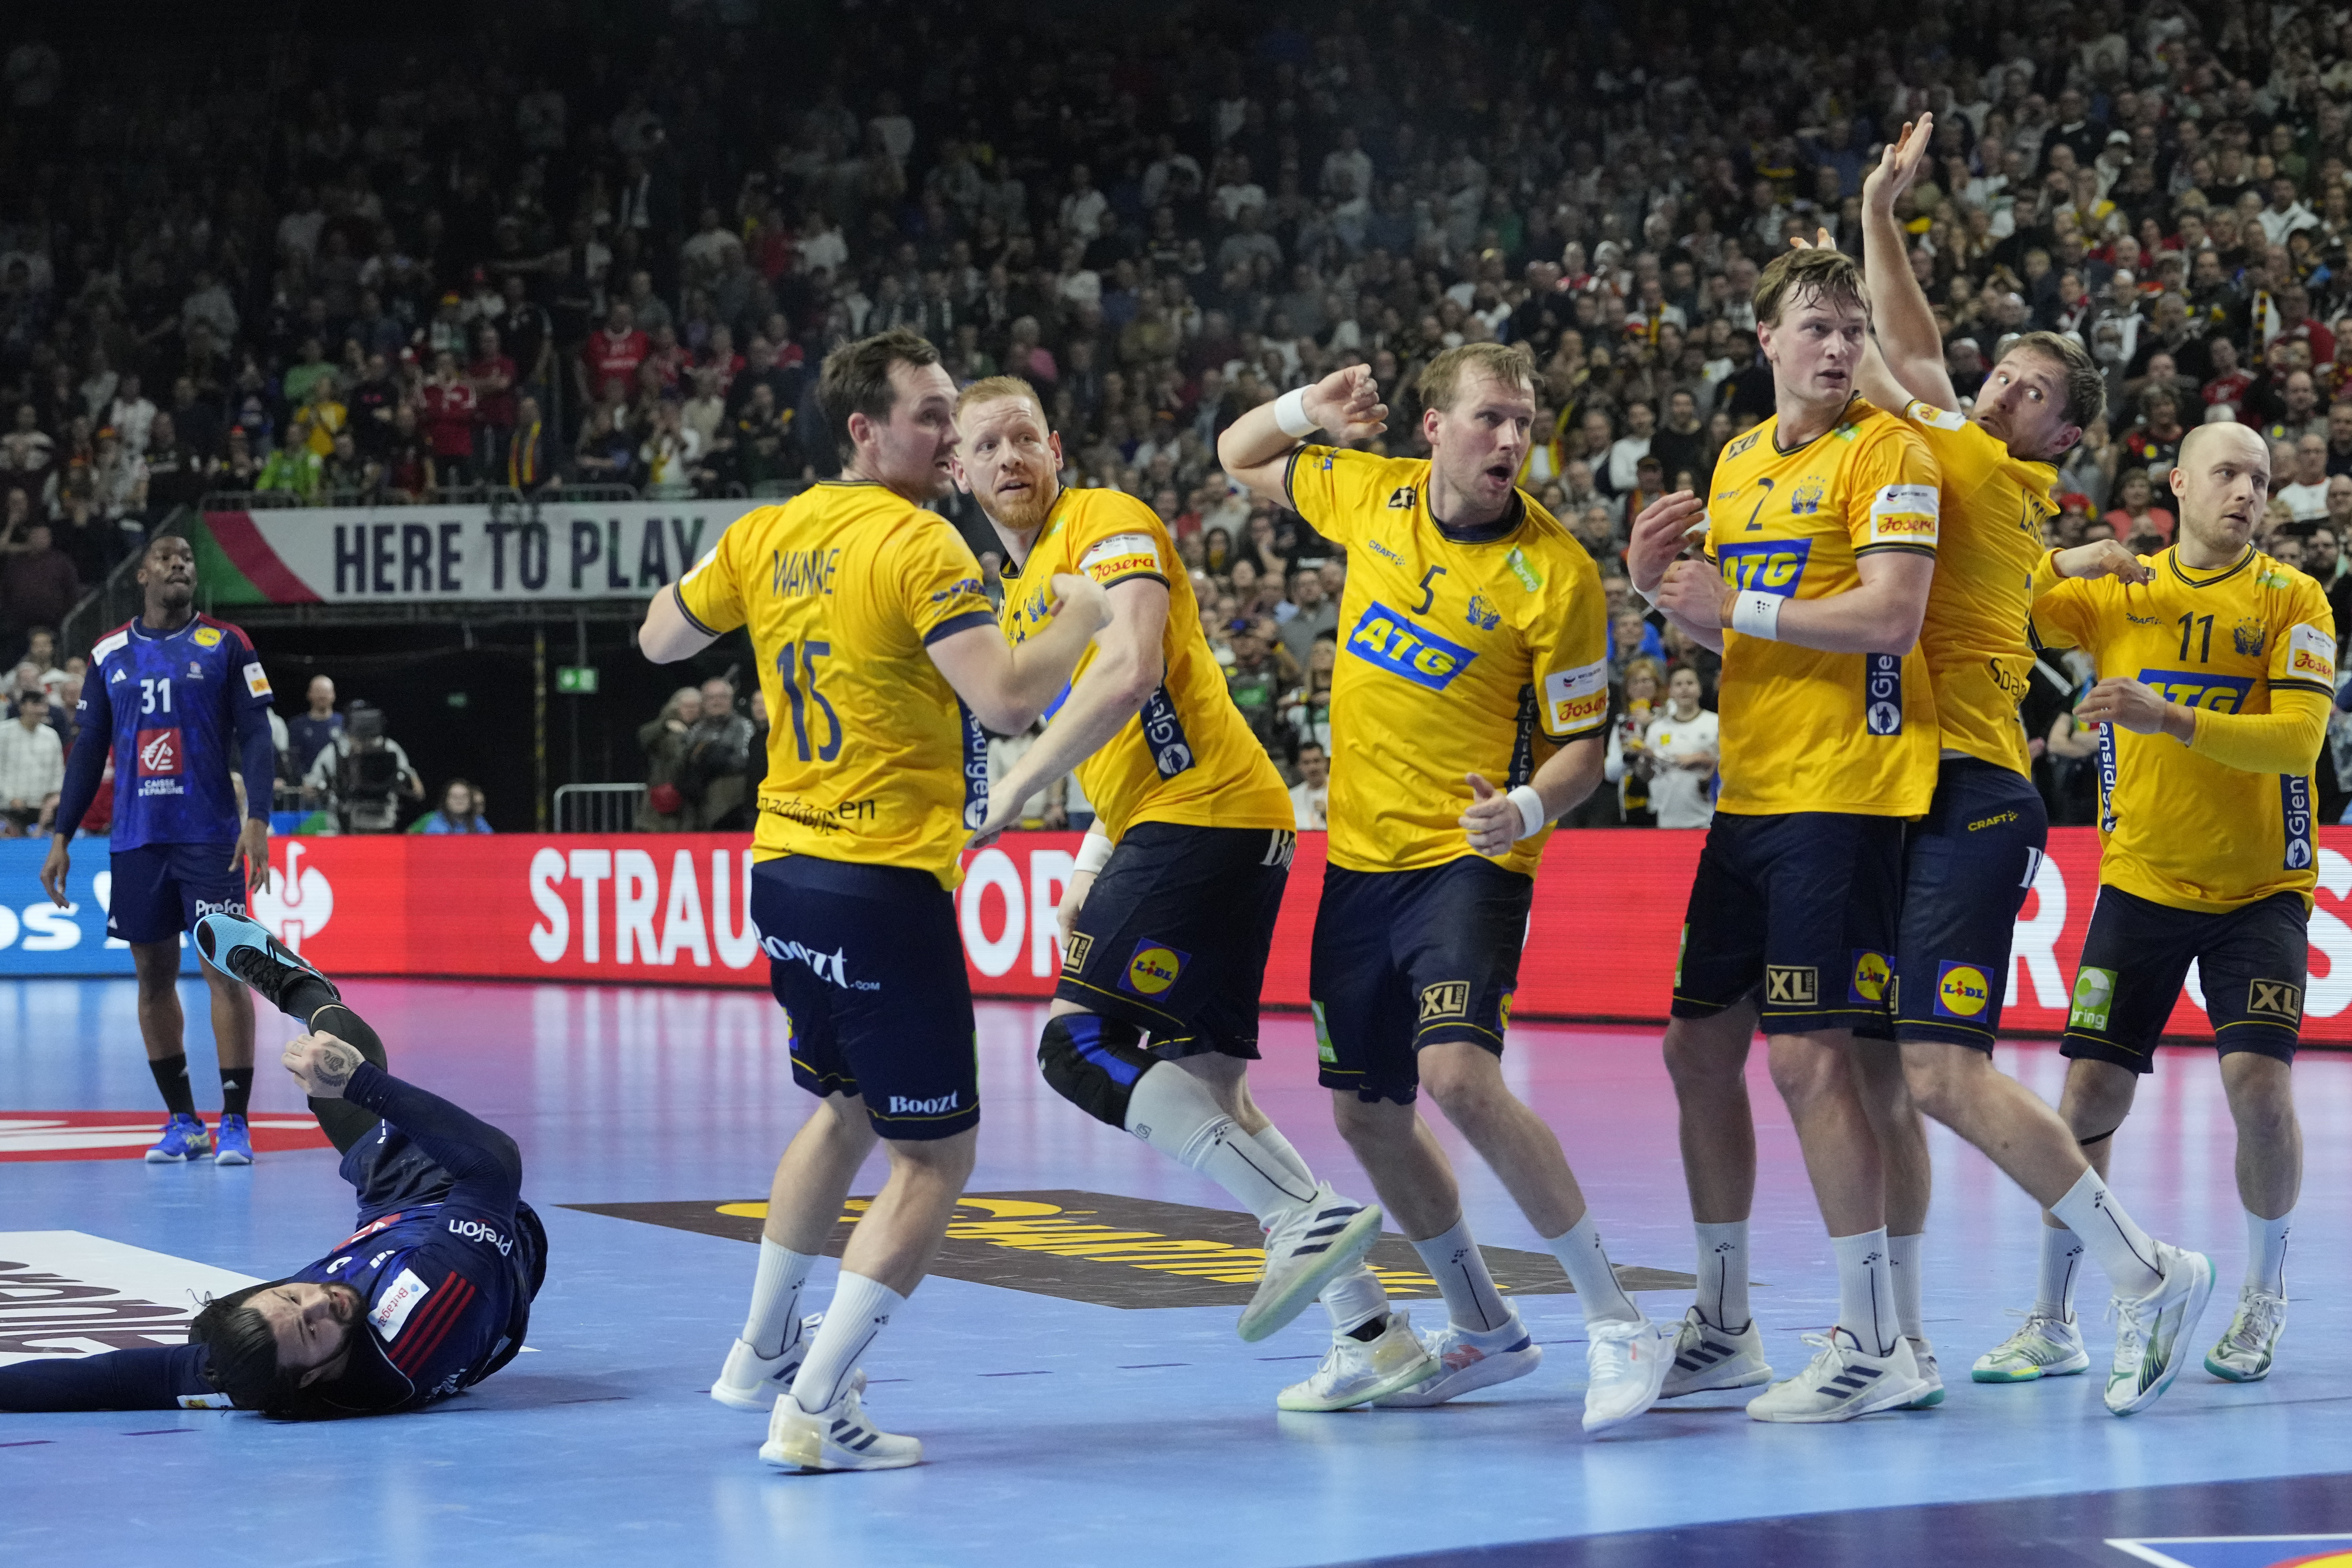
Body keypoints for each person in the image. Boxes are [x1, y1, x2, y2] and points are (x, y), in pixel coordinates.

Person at [637, 329, 1109, 1472]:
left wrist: (756, 586)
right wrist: (1081, 623)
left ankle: (756, 1350)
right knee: (936, 1158)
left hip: (784, 872)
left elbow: (659, 638)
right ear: (865, 427)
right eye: (933, 413)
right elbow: (1002, 700)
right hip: (882, 881)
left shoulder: (768, 530)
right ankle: (815, 1404)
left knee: (843, 1107)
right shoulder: (919, 542)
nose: (952, 434)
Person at [1814, 116, 2212, 1415]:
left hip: (1967, 793)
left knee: (1933, 1068)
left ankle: (2140, 1268)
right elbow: (1929, 373)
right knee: (1877, 1068)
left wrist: (1877, 211)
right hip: (1900, 787)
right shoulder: (1993, 493)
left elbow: (1897, 348)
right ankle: (1887, 1339)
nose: (1997, 389)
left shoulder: (1982, 466)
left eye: (2029, 389)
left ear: (2054, 434)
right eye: (2003, 373)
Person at [1221, 348, 1679, 1433]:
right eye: (1490, 420)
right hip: (1359, 860)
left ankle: (1616, 1321)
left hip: (1469, 858)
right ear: (1432, 426)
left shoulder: (1556, 573)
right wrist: (1308, 408)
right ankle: (1483, 1329)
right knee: (1365, 1113)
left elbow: (1582, 752)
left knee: (1458, 1076)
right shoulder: (1369, 492)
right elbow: (1239, 455)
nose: (1511, 441)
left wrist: (1521, 811)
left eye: (1524, 423)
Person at [954, 375, 1387, 1379]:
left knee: (1076, 1044)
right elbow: (1129, 746)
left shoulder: (1105, 521)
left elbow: (1134, 671)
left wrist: (1015, 787)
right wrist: (1091, 852)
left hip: (1209, 819)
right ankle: (1371, 1331)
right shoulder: (1015, 596)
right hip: (1197, 822)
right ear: (959, 468)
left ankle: (1300, 1213)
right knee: (1208, 1089)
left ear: (1055, 447)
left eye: (1026, 435)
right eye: (989, 444)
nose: (1011, 455)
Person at [1629, 241, 1945, 1421]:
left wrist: (1738, 602)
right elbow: (1735, 635)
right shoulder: (1736, 462)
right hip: (1751, 796)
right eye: (1815, 326)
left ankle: (1874, 1338)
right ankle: (1724, 1323)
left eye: (1851, 327)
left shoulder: (1889, 449)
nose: (1837, 346)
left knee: (1815, 1057)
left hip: (1849, 795)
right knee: (1696, 1051)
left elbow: (1893, 615)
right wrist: (1659, 586)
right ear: (1764, 340)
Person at [2004, 419, 2327, 1390]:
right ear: (2177, 483)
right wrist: (2064, 554)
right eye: (2227, 473)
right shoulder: (2117, 590)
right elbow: (1990, 597)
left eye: (2261, 480)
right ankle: (2049, 1318)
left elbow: (2295, 744)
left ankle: (2262, 1296)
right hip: (2139, 882)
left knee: (2256, 1090)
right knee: (2085, 1099)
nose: (2247, 492)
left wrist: (2168, 716)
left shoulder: (2292, 597)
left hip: (2258, 890)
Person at [0, 914, 546, 1417]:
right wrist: (361, 1083)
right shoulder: (425, 1316)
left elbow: (109, 1379)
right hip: (457, 1211)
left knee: (207, 1333)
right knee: (335, 1069)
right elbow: (495, 1166)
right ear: (310, 1379)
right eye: (311, 1331)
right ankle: (302, 989)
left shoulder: (259, 1370)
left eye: (289, 1298)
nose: (317, 1303)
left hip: (390, 1229)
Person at [39, 535, 274, 1165]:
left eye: (188, 559)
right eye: (168, 557)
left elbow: (256, 735)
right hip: (137, 837)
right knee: (152, 977)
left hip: (209, 837)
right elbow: (89, 750)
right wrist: (61, 835)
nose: (180, 564)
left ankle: (234, 1121)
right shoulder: (109, 652)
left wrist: (260, 818)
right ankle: (181, 1120)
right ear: (141, 573)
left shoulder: (228, 644)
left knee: (225, 971)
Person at [1644, 666, 1718, 829]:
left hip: (1706, 819)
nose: (1685, 688)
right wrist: (1644, 758)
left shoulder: (1715, 724)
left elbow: (1731, 765)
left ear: (1700, 689)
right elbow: (1646, 775)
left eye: (1690, 683)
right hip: (1667, 819)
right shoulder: (1657, 728)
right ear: (1670, 692)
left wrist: (1704, 760)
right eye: (1678, 684)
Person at [0, 684, 63, 834]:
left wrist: (53, 798)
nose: (40, 710)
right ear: (22, 707)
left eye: (44, 706)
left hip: (43, 810)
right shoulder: (4, 733)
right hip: (9, 808)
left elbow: (58, 771)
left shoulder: (51, 736)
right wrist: (11, 798)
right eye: (35, 705)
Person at [286, 675, 343, 776]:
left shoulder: (344, 723)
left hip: (338, 784)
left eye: (326, 692)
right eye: (318, 691)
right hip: (306, 785)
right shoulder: (297, 725)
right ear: (309, 694)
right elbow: (292, 760)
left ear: (334, 695)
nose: (322, 696)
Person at [416, 778, 493, 834]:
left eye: (464, 796)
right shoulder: (436, 824)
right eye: (454, 796)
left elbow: (491, 843)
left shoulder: (479, 821)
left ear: (471, 801)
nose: (459, 800)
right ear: (446, 801)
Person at [1290, 739, 1329, 829]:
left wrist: (1329, 815)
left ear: (1326, 762)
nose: (1312, 768)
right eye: (1306, 763)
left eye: (1317, 761)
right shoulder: (1292, 797)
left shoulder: (1342, 791)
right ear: (1299, 766)